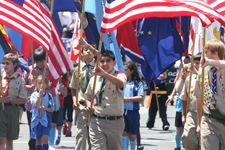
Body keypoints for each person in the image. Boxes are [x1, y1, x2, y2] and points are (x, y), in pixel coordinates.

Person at [85, 50, 127, 150]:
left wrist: (104, 74)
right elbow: (88, 96)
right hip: (97, 120)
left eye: (108, 61)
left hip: (115, 122)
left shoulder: (120, 75)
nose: (105, 64)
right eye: (102, 61)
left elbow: (120, 84)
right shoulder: (94, 79)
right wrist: (89, 104)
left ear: (114, 62)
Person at [195, 39, 225, 150]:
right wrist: (198, 123)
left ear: (215, 53)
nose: (204, 54)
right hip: (210, 119)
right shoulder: (203, 72)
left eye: (206, 51)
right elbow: (199, 98)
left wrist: (210, 62)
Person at [69, 39, 96, 150]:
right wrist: (75, 101)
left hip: (96, 107)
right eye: (86, 50)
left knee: (93, 136)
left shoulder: (99, 68)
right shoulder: (77, 69)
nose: (88, 52)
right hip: (82, 105)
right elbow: (74, 88)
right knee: (81, 134)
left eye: (91, 50)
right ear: (82, 53)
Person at [0, 53, 27, 150]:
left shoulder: (20, 80)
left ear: (14, 65)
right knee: (1, 140)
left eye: (8, 63)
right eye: (4, 63)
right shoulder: (0, 77)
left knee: (9, 140)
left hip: (13, 111)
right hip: (1, 110)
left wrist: (12, 99)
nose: (5, 66)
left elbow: (24, 100)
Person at [122, 62, 144, 150]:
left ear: (131, 71)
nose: (124, 71)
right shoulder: (122, 82)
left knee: (132, 135)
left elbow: (141, 97)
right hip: (122, 112)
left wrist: (127, 99)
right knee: (123, 133)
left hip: (133, 113)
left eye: (126, 70)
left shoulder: (138, 83)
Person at [181, 54, 201, 150]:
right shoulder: (189, 79)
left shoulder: (208, 77)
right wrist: (183, 115)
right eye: (196, 63)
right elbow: (184, 98)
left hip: (206, 114)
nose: (197, 65)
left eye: (199, 63)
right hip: (192, 113)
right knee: (187, 137)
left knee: (205, 141)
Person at [167, 66, 189, 150]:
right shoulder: (180, 82)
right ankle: (178, 146)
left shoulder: (193, 81)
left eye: (189, 71)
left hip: (189, 109)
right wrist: (171, 97)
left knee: (187, 130)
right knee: (179, 130)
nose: (187, 73)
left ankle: (186, 146)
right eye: (185, 71)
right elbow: (175, 90)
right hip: (180, 109)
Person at [30, 75, 54, 150]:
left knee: (45, 138)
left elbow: (52, 109)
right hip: (36, 120)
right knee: (38, 139)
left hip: (45, 120)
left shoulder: (49, 95)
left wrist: (45, 109)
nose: (41, 85)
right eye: (39, 83)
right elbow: (36, 105)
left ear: (46, 85)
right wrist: (39, 96)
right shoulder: (33, 95)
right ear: (36, 84)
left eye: (43, 83)